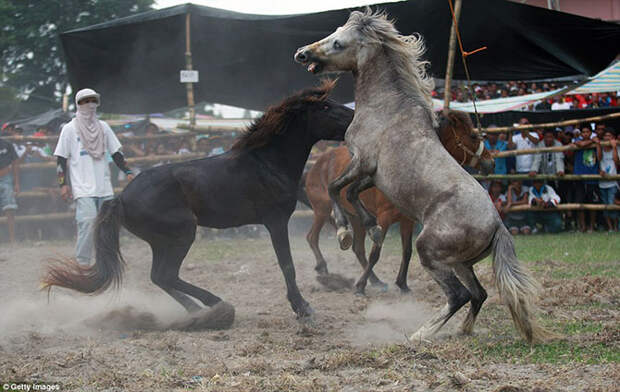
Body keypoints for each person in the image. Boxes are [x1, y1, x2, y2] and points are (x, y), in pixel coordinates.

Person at [54, 88, 134, 266]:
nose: (90, 104)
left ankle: (105, 263)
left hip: (104, 186)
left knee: (107, 225)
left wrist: (128, 171)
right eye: (85, 101)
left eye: (93, 100)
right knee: (88, 223)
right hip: (82, 187)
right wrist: (63, 184)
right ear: (78, 104)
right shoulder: (69, 129)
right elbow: (61, 159)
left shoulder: (103, 127)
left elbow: (116, 153)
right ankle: (82, 263)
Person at [573, 126, 600, 232]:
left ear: (590, 132)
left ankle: (592, 226)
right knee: (580, 202)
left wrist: (597, 144)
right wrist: (592, 141)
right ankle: (583, 226)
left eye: (587, 132)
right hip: (580, 176)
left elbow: (599, 157)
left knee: (592, 203)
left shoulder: (595, 143)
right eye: (583, 132)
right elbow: (580, 144)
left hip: (592, 176)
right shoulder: (577, 141)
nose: (585, 134)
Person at [596, 129, 619, 232]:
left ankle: (615, 227)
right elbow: (599, 159)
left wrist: (614, 147)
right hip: (602, 182)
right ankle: (610, 227)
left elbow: (617, 162)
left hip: (613, 182)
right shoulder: (601, 148)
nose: (607, 138)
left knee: (612, 204)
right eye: (606, 136)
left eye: (609, 136)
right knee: (605, 206)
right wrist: (598, 146)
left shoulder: (617, 148)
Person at [0, 136, 19, 243]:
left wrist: (16, 183)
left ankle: (12, 239)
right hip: (5, 174)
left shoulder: (7, 144)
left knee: (10, 208)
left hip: (6, 178)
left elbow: (15, 163)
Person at [509, 119, 540, 185]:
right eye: (522, 124)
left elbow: (536, 141)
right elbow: (510, 147)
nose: (524, 125)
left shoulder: (534, 134)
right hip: (519, 169)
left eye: (526, 124)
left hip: (532, 169)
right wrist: (510, 133)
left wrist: (526, 132)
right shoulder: (515, 137)